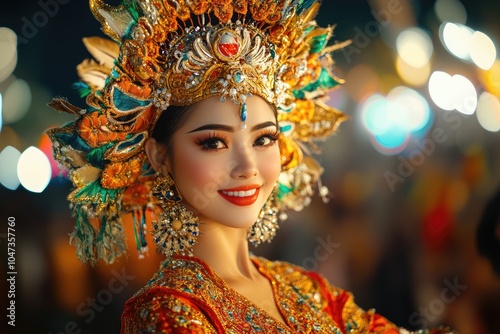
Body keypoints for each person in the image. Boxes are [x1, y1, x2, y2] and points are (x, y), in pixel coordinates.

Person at [47, 0, 454, 332]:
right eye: (213, 143)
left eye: (263, 139)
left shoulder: (305, 288)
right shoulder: (169, 312)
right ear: (159, 155)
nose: (247, 166)